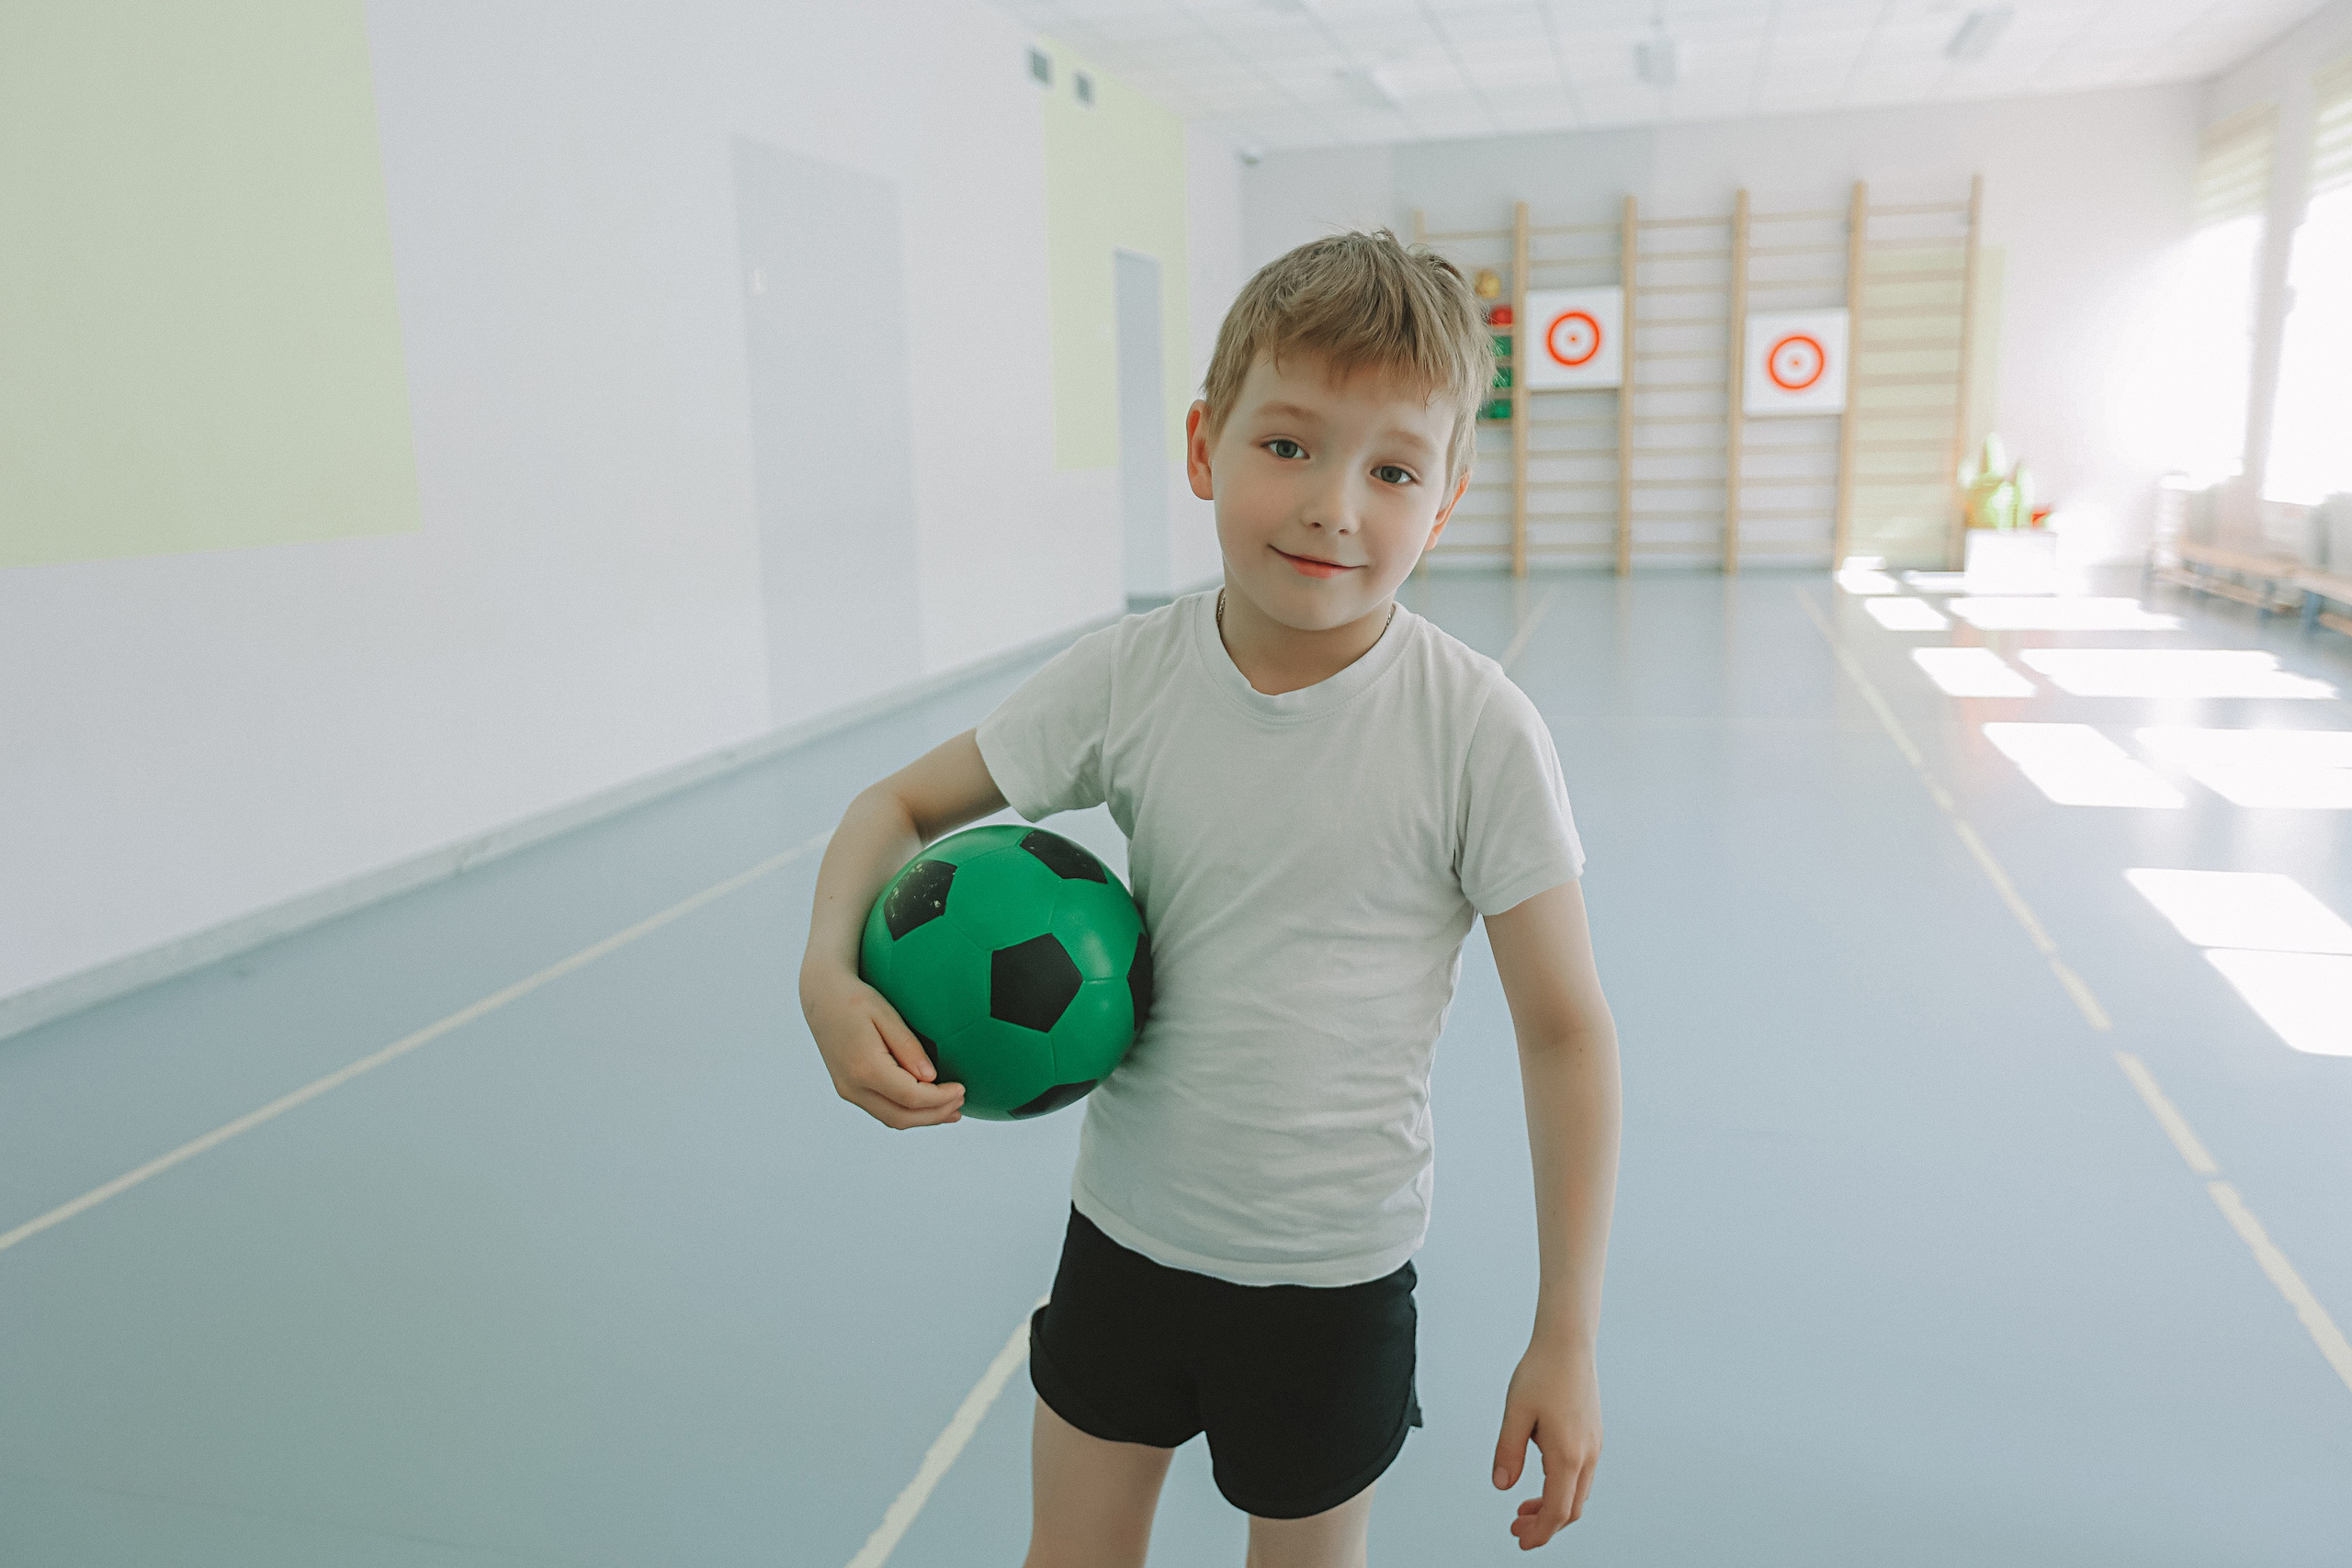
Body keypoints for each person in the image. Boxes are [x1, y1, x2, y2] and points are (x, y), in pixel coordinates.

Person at [799, 229, 1621, 1567]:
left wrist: (1567, 1334)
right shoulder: (1129, 679)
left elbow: (1567, 1034)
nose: (1334, 506)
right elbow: (887, 809)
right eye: (1288, 445)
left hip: (1334, 1282)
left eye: (1393, 469)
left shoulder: (1477, 731)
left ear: (1448, 497)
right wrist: (827, 979)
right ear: (1203, 448)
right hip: (1125, 1242)